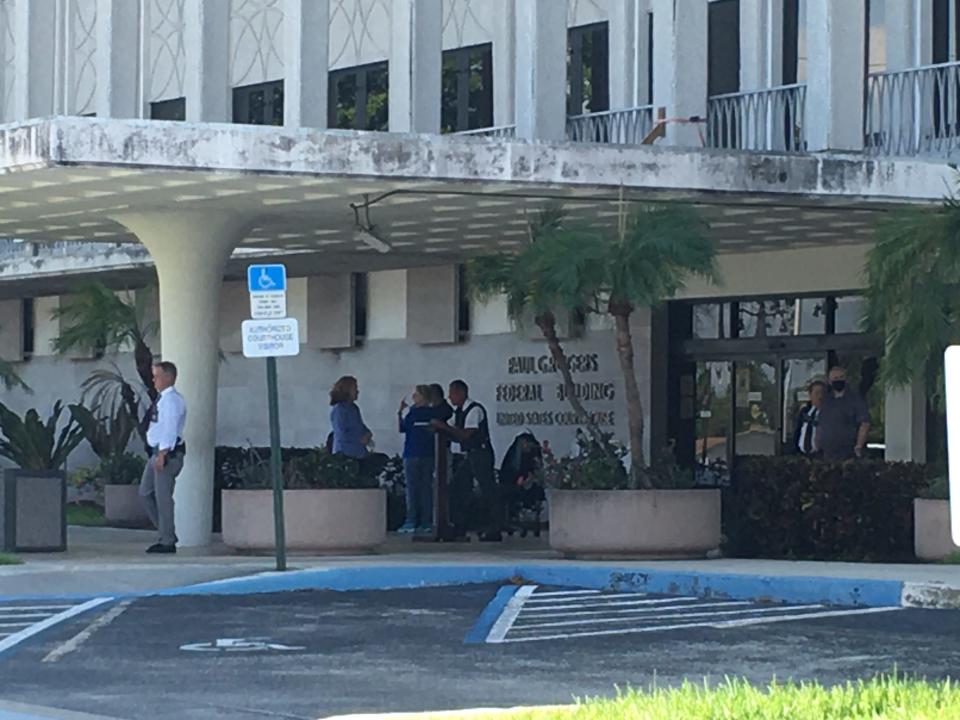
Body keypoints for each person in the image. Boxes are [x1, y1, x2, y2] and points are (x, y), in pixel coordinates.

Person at [432, 380, 500, 542]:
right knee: (456, 488)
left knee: (487, 489)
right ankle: (459, 526)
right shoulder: (459, 412)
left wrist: (443, 427)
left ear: (461, 393)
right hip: (469, 455)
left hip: (481, 453)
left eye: (452, 393)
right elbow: (453, 431)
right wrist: (438, 427)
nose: (449, 397)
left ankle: (494, 527)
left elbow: (465, 434)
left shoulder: (474, 410)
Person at [139, 361, 187, 554]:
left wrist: (163, 453)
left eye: (157, 376)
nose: (153, 380)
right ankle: (166, 532)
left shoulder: (172, 401)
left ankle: (167, 540)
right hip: (156, 452)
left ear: (169, 377)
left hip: (166, 453)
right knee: (146, 493)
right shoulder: (162, 399)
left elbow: (170, 428)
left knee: (163, 497)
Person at [397, 385, 436, 534]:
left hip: (414, 453)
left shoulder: (414, 414)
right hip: (426, 454)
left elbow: (402, 428)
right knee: (425, 488)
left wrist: (401, 412)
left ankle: (412, 520)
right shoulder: (427, 413)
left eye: (416, 394)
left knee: (414, 489)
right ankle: (425, 520)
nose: (413, 397)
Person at [816, 366, 870, 461]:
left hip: (848, 453)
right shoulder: (826, 401)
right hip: (827, 454)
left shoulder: (855, 399)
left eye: (841, 377)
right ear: (829, 381)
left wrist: (859, 446)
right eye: (835, 378)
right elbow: (820, 424)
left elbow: (864, 424)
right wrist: (817, 443)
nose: (839, 380)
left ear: (846, 379)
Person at [329, 376, 372, 459]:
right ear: (346, 390)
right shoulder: (339, 410)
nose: (357, 391)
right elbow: (341, 433)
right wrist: (358, 440)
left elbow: (360, 426)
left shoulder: (354, 408)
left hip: (359, 453)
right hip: (345, 454)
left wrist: (367, 433)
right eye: (355, 388)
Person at [794, 380, 826, 455]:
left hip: (819, 455)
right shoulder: (804, 411)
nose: (820, 396)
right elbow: (798, 431)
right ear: (810, 395)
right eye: (817, 393)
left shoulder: (828, 413)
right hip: (801, 455)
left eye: (822, 393)